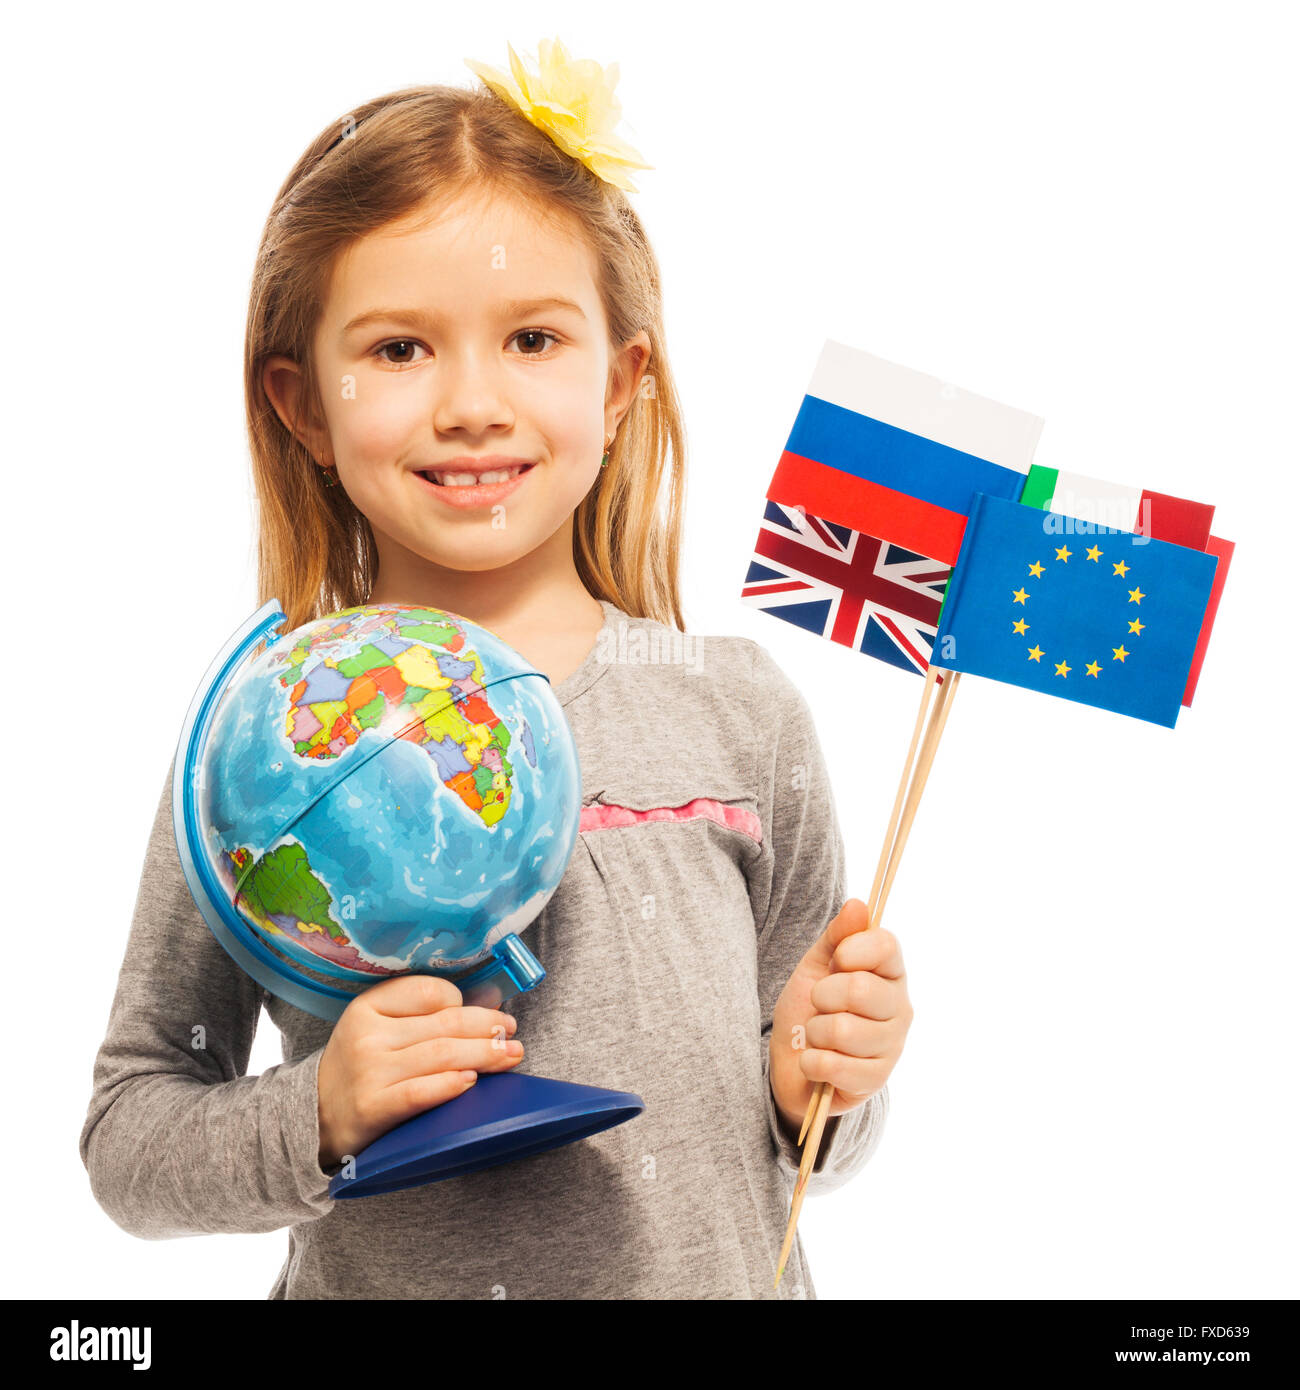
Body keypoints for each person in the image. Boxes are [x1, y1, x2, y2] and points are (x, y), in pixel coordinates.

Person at [79, 38, 913, 1300]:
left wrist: (825, 1080)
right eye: (401, 350)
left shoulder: (737, 713)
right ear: (302, 403)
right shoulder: (266, 743)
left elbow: (806, 1139)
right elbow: (132, 1135)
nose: (472, 402)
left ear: (624, 378)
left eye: (532, 337)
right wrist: (321, 1108)